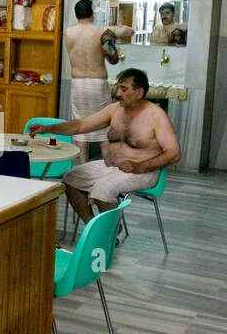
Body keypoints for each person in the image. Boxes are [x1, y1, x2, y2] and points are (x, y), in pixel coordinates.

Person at [28, 68, 180, 224]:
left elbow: (173, 153)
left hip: (143, 171)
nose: (118, 93)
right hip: (110, 166)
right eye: (118, 88)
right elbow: (81, 125)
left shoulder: (157, 116)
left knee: (103, 189)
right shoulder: (114, 110)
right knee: (70, 179)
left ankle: (111, 232)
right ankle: (94, 228)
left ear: (139, 92)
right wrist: (48, 129)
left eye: (124, 89)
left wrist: (139, 166)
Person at [64, 0, 133, 162]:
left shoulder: (69, 33)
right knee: (103, 126)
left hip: (78, 84)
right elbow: (125, 37)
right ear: (92, 14)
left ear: (76, 14)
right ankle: (106, 167)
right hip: (97, 84)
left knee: (81, 125)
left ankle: (82, 167)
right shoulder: (102, 32)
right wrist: (118, 30)